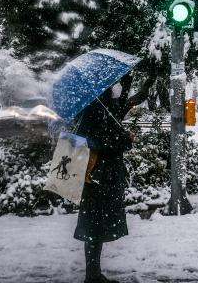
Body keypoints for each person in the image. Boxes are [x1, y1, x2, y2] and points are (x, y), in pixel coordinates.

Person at [73, 83, 133, 283]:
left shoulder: (102, 106)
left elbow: (103, 136)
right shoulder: (97, 108)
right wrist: (125, 141)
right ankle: (92, 275)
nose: (119, 88)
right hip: (100, 177)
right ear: (107, 88)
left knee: (95, 226)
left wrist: (122, 137)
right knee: (94, 226)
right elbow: (96, 140)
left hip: (102, 176)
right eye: (115, 85)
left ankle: (93, 273)